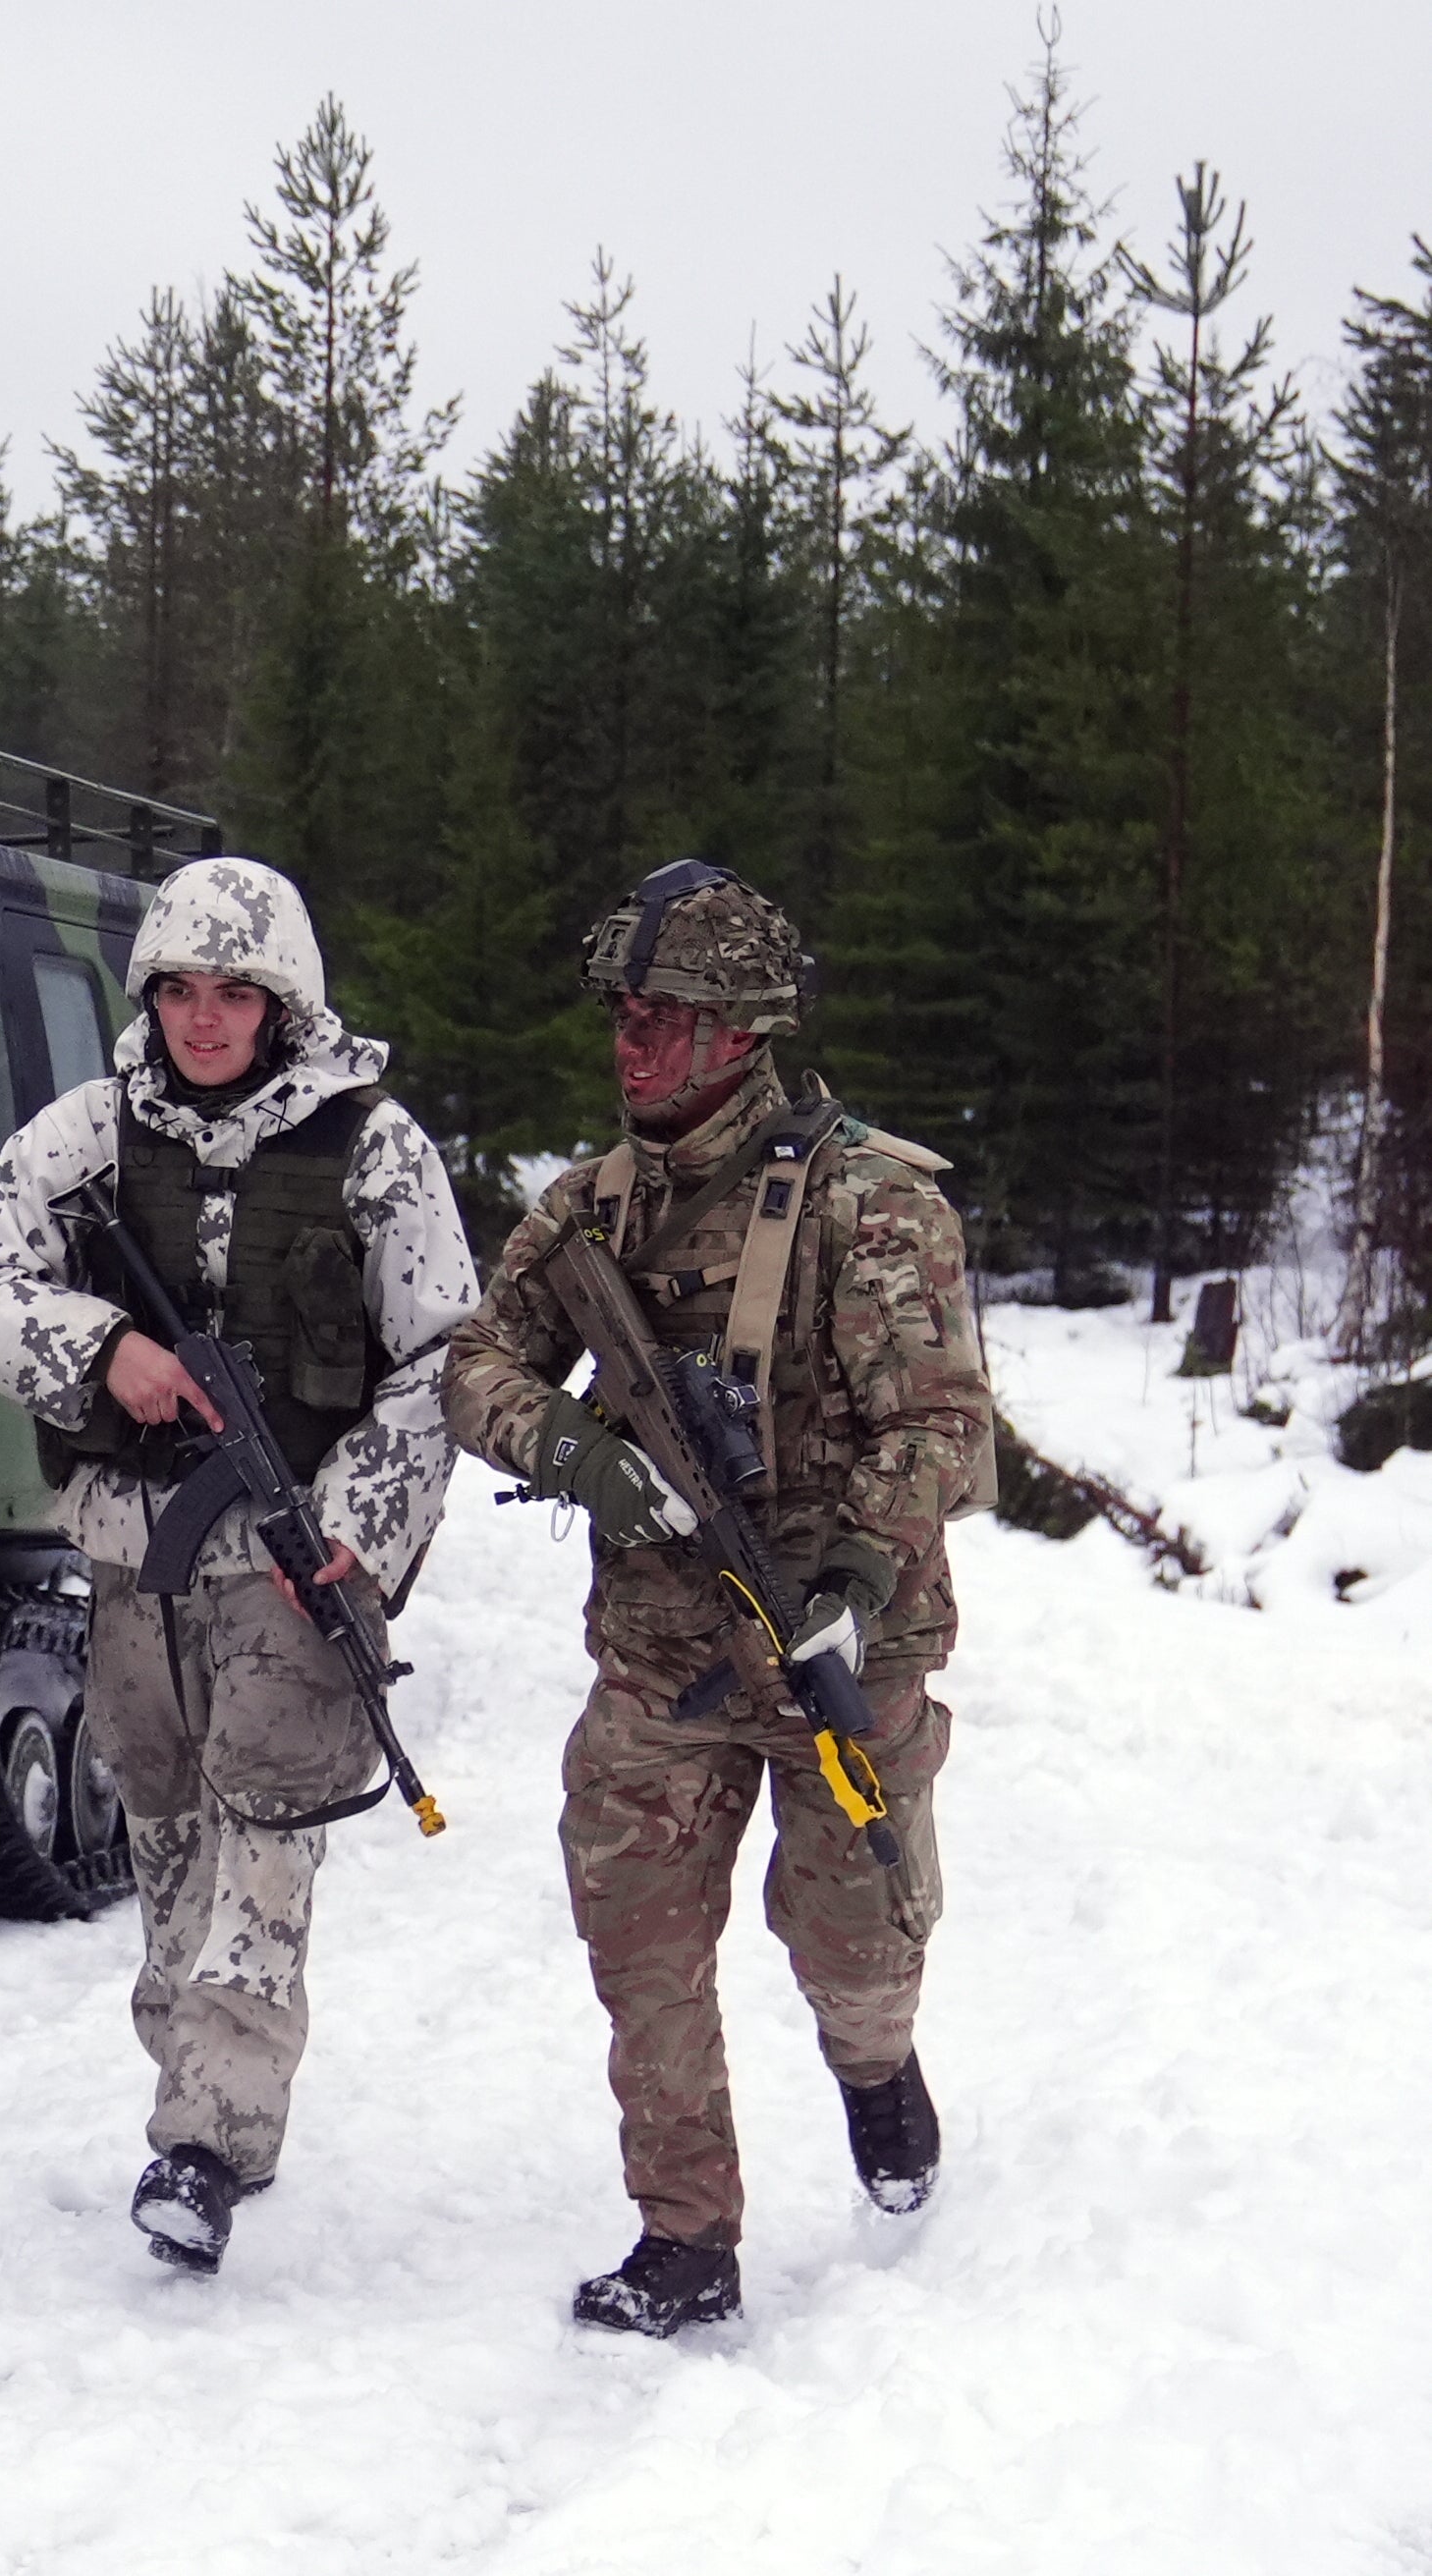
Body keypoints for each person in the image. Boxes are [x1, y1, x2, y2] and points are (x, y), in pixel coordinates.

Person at [442, 861, 993, 2337]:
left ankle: (876, 2069)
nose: (632, 1044)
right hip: (660, 1653)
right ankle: (685, 2236)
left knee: (850, 1947)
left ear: (741, 1028)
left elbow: (941, 1427)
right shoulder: (591, 1212)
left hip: (835, 1648)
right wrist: (570, 1450)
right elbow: (473, 1364)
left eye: (664, 1018)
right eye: (622, 1015)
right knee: (639, 1945)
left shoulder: (869, 1200)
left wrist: (856, 1573)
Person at [0, 856, 477, 2276]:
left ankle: (209, 2140)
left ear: (282, 1002)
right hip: (137, 1556)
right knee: (166, 1823)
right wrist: (107, 1352)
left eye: (235, 992)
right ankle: (196, 2087)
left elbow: (443, 1358)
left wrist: (356, 1523)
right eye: (180, 990)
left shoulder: (374, 1148)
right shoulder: (91, 1134)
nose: (205, 1018)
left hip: (297, 1564)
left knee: (269, 1826)